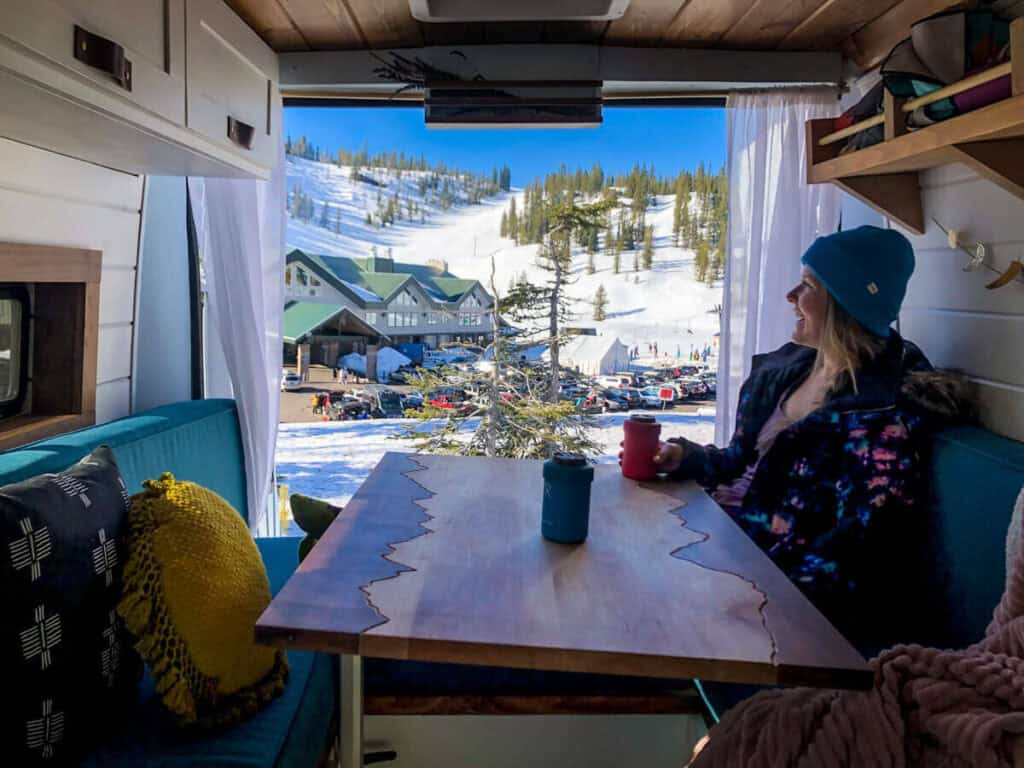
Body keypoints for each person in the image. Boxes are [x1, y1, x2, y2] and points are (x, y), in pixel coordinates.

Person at [650, 226, 966, 649]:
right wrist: (687, 459)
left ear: (844, 301)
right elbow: (740, 461)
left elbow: (857, 550)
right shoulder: (790, 371)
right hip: (720, 542)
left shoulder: (882, 417)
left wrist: (738, 591)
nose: (791, 295)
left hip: (769, 587)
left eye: (808, 285)